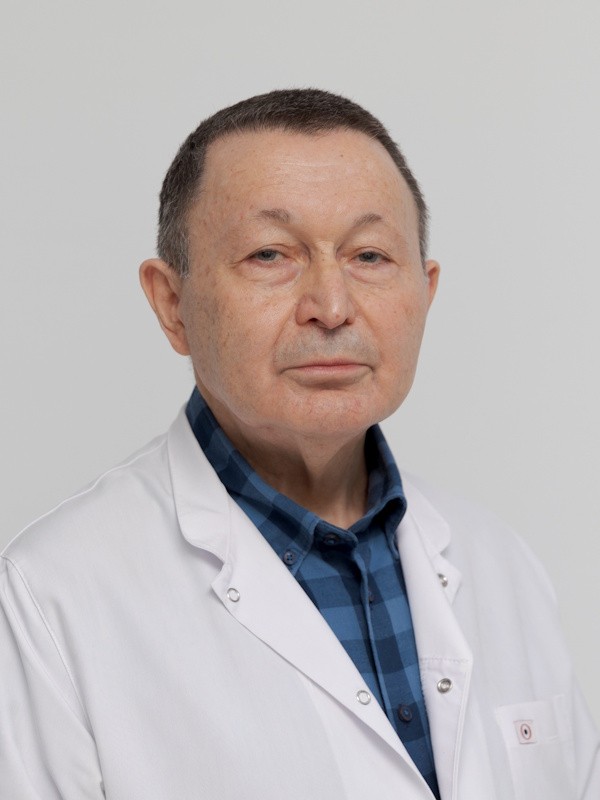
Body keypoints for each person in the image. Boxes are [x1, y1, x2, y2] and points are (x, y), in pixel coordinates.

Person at [0, 88, 597, 800]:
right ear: (171, 304)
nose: (332, 307)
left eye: (370, 255)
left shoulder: (503, 565)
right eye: (270, 255)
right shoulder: (52, 597)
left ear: (426, 292)